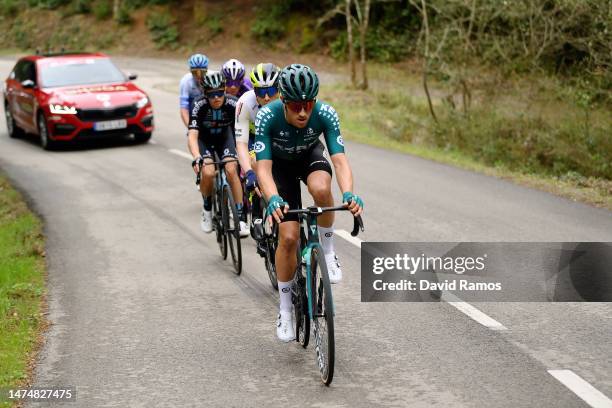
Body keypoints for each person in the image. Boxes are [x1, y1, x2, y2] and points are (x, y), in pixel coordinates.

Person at [254, 64, 364, 342]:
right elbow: (263, 169)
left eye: (308, 104)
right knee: (288, 238)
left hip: (308, 157)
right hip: (278, 168)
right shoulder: (268, 116)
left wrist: (349, 193)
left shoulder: (325, 113)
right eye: (295, 106)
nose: (303, 112)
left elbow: (339, 160)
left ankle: (327, 250)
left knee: (321, 188)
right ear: (283, 101)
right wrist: (272, 198)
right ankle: (286, 309)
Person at [188, 71, 249, 237]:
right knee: (207, 172)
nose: (216, 98)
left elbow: (242, 133)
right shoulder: (198, 104)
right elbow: (193, 135)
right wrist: (196, 157)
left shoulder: (233, 103)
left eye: (219, 93)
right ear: (205, 94)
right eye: (212, 94)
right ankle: (207, 208)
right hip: (205, 140)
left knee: (231, 169)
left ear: (224, 90)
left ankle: (241, 216)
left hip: (225, 138)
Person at [234, 63, 281, 237]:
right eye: (261, 92)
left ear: (279, 89)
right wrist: (248, 173)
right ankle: (255, 213)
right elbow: (241, 144)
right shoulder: (245, 103)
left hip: (275, 137)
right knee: (256, 165)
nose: (267, 97)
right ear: (254, 90)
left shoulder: (286, 101)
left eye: (271, 91)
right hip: (253, 139)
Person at [180, 53, 208, 129]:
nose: (199, 76)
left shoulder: (212, 78)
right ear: (190, 71)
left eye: (202, 72)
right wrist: (190, 128)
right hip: (192, 112)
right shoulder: (186, 81)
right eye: (195, 72)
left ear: (206, 70)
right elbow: (184, 108)